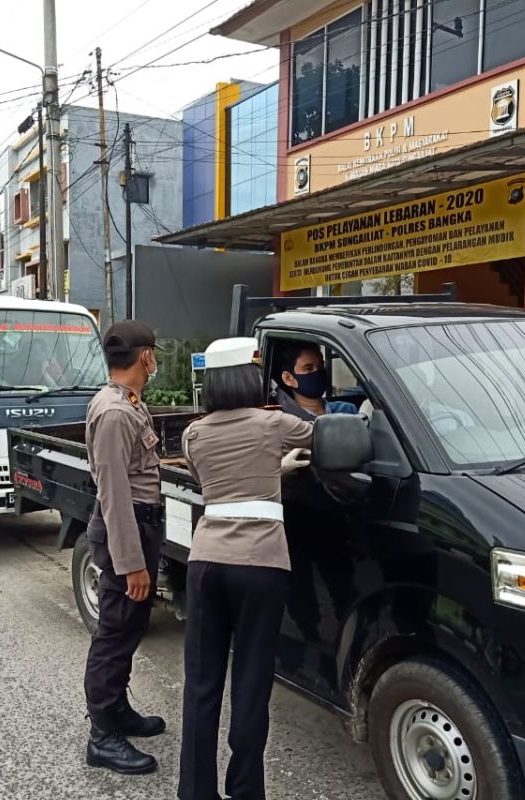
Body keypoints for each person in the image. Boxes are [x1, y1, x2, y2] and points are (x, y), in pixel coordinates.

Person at [177, 337, 314, 800]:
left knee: (201, 681)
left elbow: (218, 484)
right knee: (251, 679)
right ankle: (245, 788)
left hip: (206, 562)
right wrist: (283, 465)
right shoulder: (275, 423)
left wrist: (273, 468)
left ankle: (195, 790)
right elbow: (325, 435)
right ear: (250, 377)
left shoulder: (192, 434)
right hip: (261, 564)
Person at [82, 320, 167, 775]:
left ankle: (117, 712)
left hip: (139, 524)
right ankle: (103, 736)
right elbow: (113, 493)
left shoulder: (127, 402)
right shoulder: (115, 411)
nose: (156, 360)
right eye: (155, 353)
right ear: (145, 357)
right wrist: (131, 563)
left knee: (129, 627)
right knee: (114, 634)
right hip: (126, 528)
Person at [275, 342, 358, 420]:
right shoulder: (289, 421)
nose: (317, 371)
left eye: (321, 366)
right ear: (288, 378)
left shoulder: (347, 410)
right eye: (309, 368)